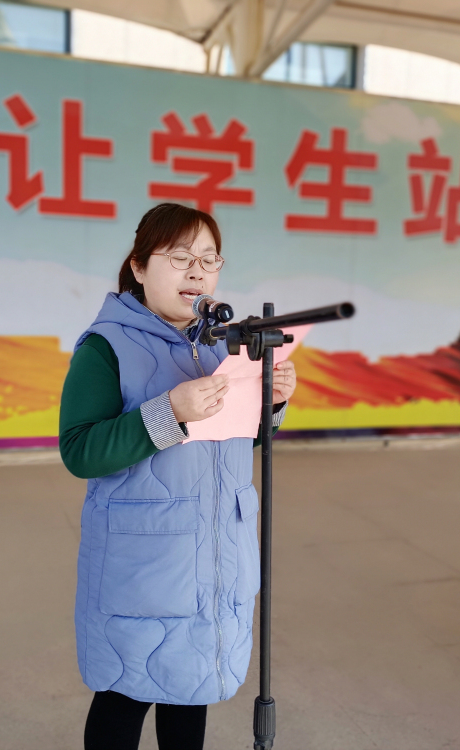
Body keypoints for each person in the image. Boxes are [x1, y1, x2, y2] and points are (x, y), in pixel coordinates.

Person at [59, 203, 297, 750]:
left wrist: (271, 405)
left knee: (191, 687)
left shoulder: (220, 345)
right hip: (145, 564)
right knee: (124, 694)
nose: (197, 272)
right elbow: (80, 451)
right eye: (180, 257)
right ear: (139, 267)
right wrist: (169, 412)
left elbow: (234, 441)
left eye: (210, 260)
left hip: (214, 554)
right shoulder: (106, 347)